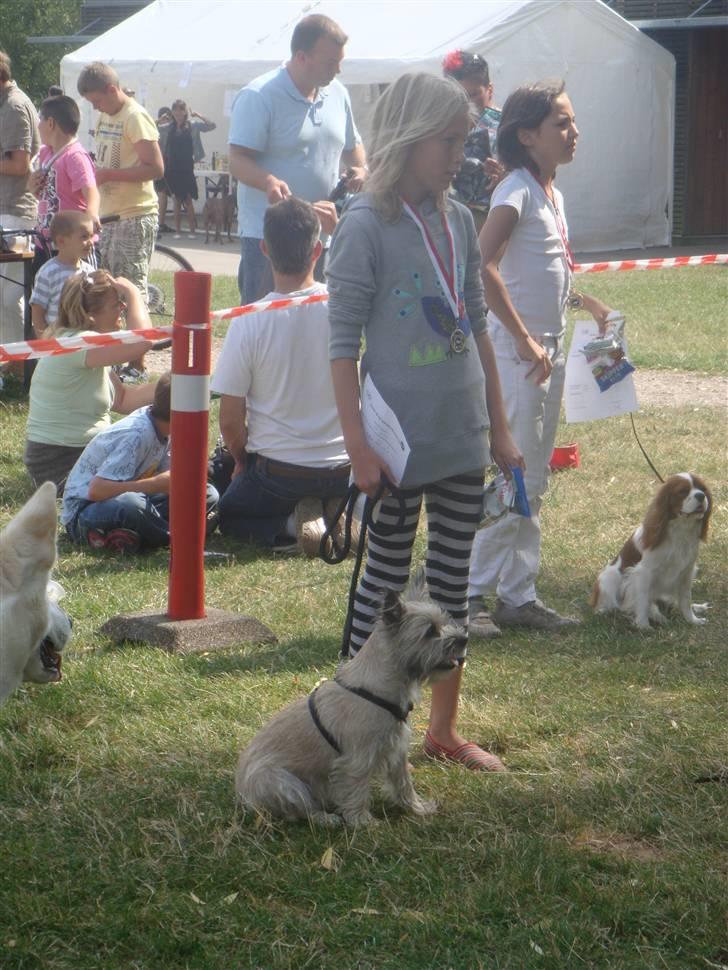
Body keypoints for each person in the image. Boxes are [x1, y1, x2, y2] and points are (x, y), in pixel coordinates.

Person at [327, 73, 522, 771]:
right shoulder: (363, 225)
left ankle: (442, 729)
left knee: (450, 589)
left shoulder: (461, 221)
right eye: (448, 141)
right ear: (409, 139)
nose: (458, 156)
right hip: (396, 450)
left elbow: (474, 330)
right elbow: (340, 347)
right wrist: (358, 448)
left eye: (464, 141)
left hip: (461, 437)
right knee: (384, 587)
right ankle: (351, 714)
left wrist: (499, 430)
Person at [467, 81, 615, 636]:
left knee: (535, 476)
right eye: (562, 123)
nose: (573, 132)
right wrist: (526, 340)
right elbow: (483, 267)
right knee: (512, 474)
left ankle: (518, 593)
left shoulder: (551, 194)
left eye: (572, 122)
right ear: (527, 135)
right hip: (517, 356)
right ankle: (470, 595)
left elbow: (543, 271)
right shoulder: (516, 192)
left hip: (543, 355)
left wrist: (584, 300)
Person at [211, 197, 351, 555]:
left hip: (281, 474)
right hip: (341, 466)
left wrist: (242, 459)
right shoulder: (343, 308)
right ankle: (338, 511)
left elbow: (229, 420)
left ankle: (293, 524)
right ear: (317, 250)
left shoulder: (249, 319)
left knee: (227, 514)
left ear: (264, 249)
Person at [228, 13, 366, 303]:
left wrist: (360, 169)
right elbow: (237, 160)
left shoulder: (338, 94)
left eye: (340, 61)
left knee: (316, 322)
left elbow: (353, 148)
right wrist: (267, 181)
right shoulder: (259, 95)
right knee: (263, 325)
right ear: (302, 57)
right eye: (331, 62)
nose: (338, 70)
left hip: (320, 236)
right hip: (270, 238)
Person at [24, 269, 158, 493]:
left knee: (149, 433)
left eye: (123, 302)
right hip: (61, 459)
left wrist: (175, 387)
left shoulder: (76, 342)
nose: (123, 308)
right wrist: (134, 293)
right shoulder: (80, 342)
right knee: (147, 432)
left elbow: (123, 399)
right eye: (117, 304)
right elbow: (143, 342)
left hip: (68, 454)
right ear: (91, 316)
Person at [61, 372, 219, 554]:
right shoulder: (136, 435)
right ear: (183, 413)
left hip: (140, 497)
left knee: (207, 494)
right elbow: (97, 490)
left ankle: (133, 535)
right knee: (131, 504)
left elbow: (167, 478)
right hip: (85, 511)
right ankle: (175, 540)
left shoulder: (168, 428)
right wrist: (154, 485)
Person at [76, 62, 163, 304]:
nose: (95, 107)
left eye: (97, 101)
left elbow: (156, 168)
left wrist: (109, 175)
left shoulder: (135, 117)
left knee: (130, 289)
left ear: (112, 90)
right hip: (110, 215)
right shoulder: (106, 115)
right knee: (109, 289)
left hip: (135, 215)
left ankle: (139, 339)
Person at [0, 49, 40, 356]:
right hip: (5, 210)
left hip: (14, 213)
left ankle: (14, 361)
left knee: (8, 293)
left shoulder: (13, 107)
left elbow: (19, 165)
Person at [30, 95, 100, 267]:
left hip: (73, 246)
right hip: (45, 243)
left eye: (40, 120)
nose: (38, 126)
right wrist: (32, 187)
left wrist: (91, 214)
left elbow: (91, 192)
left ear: (51, 123)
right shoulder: (46, 153)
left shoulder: (74, 156)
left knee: (76, 292)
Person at [443, 49, 503, 234]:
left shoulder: (508, 126)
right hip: (448, 214)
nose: (466, 103)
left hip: (491, 217)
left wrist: (504, 173)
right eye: (458, 95)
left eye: (473, 95)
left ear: (490, 90)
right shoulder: (441, 125)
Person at [30, 210, 95, 335]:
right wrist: (44, 341)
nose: (91, 242)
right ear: (61, 241)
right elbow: (38, 312)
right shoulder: (48, 272)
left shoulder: (89, 271)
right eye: (84, 237)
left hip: (83, 337)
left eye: (91, 236)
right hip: (57, 340)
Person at [158, 100, 215, 239]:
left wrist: (199, 115)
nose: (178, 113)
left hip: (187, 166)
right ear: (172, 112)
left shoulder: (192, 126)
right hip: (172, 167)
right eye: (175, 110)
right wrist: (159, 120)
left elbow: (212, 125)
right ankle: (178, 231)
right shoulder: (168, 127)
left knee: (188, 200)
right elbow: (148, 127)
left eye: (181, 110)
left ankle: (192, 231)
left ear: (185, 112)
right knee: (176, 200)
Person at [154, 106, 172, 234]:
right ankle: (160, 223)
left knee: (161, 193)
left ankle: (160, 222)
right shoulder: (156, 127)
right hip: (162, 163)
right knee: (162, 193)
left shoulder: (167, 128)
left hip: (166, 164)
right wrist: (159, 121)